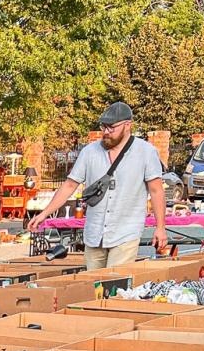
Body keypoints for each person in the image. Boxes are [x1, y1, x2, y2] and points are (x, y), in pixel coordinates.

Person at [28, 101, 167, 268]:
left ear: (127, 125)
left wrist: (160, 227)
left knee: (115, 280)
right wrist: (44, 214)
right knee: (93, 281)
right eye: (103, 127)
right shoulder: (89, 152)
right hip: (94, 233)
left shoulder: (146, 152)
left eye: (111, 128)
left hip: (126, 232)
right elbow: (69, 185)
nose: (106, 132)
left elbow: (156, 191)